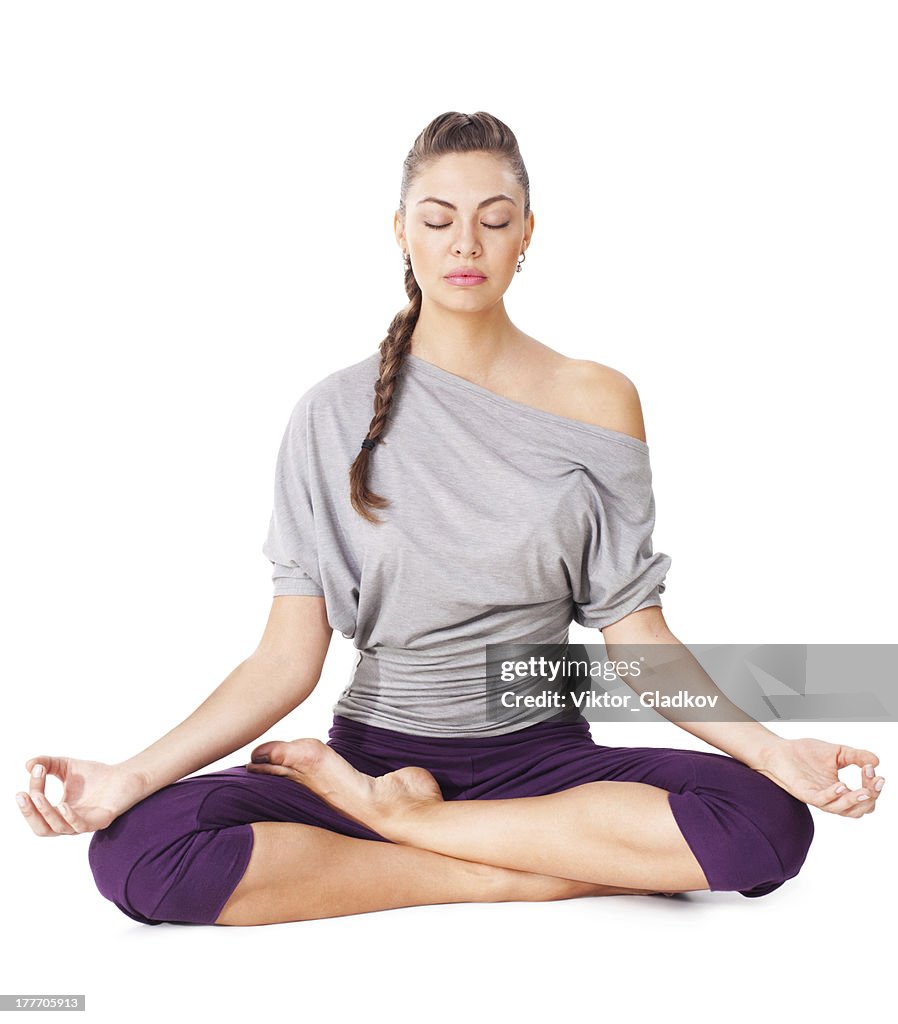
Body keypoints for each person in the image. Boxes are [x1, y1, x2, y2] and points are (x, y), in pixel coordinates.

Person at [16, 111, 885, 928]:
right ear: (400, 231)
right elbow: (286, 659)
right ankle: (492, 866)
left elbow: (637, 634)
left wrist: (775, 755)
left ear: (528, 233)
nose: (465, 243)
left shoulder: (598, 399)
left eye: (493, 219)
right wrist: (128, 778)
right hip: (376, 754)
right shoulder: (330, 413)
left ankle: (400, 829)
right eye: (437, 219)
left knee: (768, 824)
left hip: (546, 761)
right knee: (138, 854)